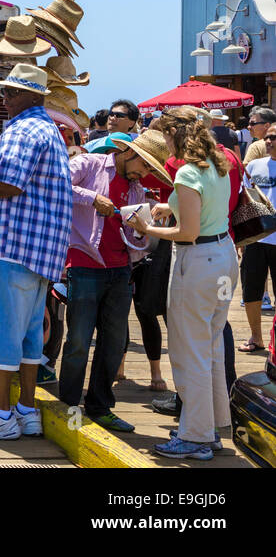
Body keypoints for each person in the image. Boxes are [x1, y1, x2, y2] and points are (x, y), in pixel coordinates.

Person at [0, 63, 73, 440]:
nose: (3, 99)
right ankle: (26, 410)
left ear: (28, 95)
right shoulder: (49, 130)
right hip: (36, 253)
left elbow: (9, 184)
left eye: (9, 93)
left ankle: (0, 414)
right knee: (27, 338)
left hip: (10, 247)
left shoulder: (24, 129)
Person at [127, 107, 239, 460]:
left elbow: (187, 231)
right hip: (223, 258)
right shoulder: (218, 162)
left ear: (175, 135)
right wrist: (169, 206)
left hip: (198, 261)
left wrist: (146, 229)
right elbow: (203, 210)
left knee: (190, 351)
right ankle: (211, 427)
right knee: (210, 347)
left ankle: (195, 435)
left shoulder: (188, 172)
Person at [60, 130, 173, 433]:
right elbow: (56, 184)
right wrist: (92, 197)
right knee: (78, 342)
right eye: (145, 165)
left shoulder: (136, 190)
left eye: (150, 169)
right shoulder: (89, 163)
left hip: (121, 269)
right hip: (84, 263)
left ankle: (99, 406)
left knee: (112, 344)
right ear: (128, 152)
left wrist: (142, 229)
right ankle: (68, 406)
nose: (144, 173)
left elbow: (135, 240)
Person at [235, 126, 276, 354]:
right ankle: (256, 337)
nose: (268, 140)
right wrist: (241, 237)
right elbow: (244, 200)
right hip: (256, 239)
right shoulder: (253, 166)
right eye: (267, 136)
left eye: (273, 137)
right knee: (251, 290)